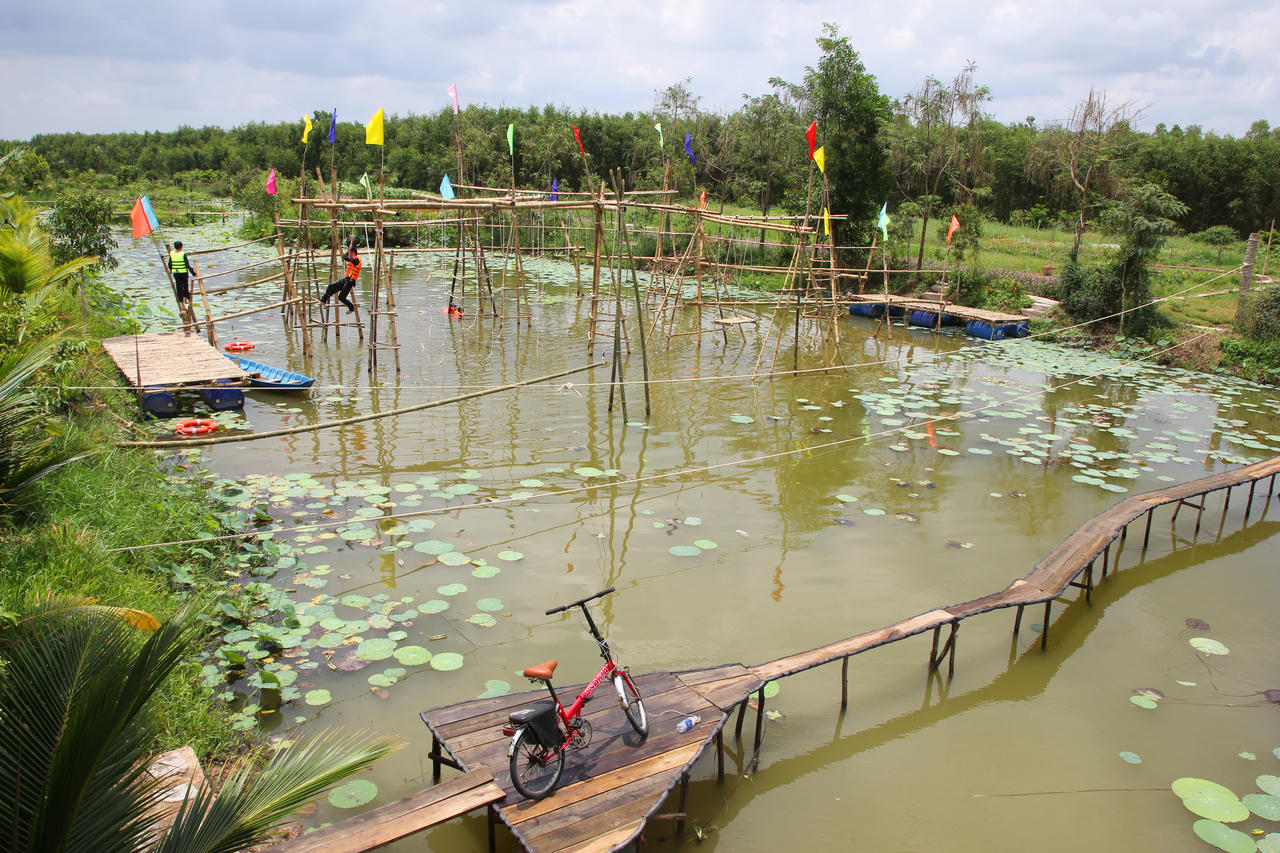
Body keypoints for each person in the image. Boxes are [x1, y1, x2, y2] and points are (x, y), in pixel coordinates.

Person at [320, 242, 362, 314]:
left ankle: (351, 308)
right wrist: (349, 248)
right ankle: (323, 300)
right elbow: (346, 257)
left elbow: (345, 257)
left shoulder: (356, 260)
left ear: (352, 253)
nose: (349, 255)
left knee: (341, 297)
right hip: (346, 279)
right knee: (331, 286)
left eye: (350, 253)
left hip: (350, 281)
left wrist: (348, 250)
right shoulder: (353, 259)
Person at [166, 241, 195, 312]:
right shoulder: (183, 254)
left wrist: (171, 270)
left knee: (179, 287)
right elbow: (187, 265)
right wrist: (194, 273)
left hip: (176, 273)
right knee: (185, 286)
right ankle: (186, 300)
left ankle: (182, 304)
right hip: (183, 272)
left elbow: (170, 264)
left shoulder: (172, 254)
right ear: (182, 246)